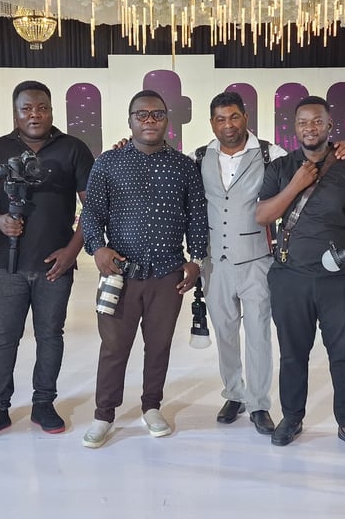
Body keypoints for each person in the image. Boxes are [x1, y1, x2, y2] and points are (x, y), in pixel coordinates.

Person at [0, 81, 94, 442]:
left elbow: (93, 206)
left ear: (52, 110)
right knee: (2, 338)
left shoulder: (73, 149)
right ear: (15, 112)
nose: (34, 114)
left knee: (50, 336)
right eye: (26, 109)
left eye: (41, 107)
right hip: (6, 264)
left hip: (55, 263)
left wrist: (71, 251)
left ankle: (43, 403)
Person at [78, 89, 207, 449]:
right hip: (121, 272)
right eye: (142, 114)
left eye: (157, 114)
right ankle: (104, 414)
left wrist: (195, 260)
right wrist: (97, 247)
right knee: (114, 347)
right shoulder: (108, 163)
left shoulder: (184, 167)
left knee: (159, 345)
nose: (149, 120)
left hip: (168, 274)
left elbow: (197, 217)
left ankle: (151, 406)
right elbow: (91, 213)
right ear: (130, 120)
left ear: (167, 119)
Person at [255, 96, 345, 455]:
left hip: (343, 279)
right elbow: (262, 216)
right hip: (290, 276)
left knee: (343, 352)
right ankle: (292, 417)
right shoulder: (281, 167)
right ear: (294, 128)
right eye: (303, 122)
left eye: (317, 122)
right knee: (293, 353)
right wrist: (296, 184)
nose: (310, 128)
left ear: (329, 125)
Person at [196, 92, 287, 435]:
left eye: (234, 117)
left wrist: (341, 151)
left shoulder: (270, 153)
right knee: (226, 333)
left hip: (257, 261)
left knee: (259, 334)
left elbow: (307, 170)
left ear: (245, 117)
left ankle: (259, 403)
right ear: (212, 123)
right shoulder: (200, 156)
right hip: (214, 263)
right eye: (220, 119)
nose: (228, 125)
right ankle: (234, 393)